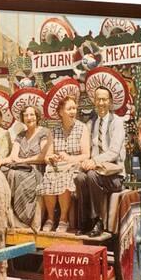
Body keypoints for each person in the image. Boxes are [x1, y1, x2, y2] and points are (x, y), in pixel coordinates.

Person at [74, 86, 126, 237]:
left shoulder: (117, 122)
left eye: (104, 99)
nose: (101, 103)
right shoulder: (92, 123)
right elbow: (88, 150)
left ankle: (98, 220)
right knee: (80, 177)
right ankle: (85, 221)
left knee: (91, 176)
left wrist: (94, 161)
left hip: (115, 176)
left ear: (110, 102)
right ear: (94, 102)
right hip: (96, 171)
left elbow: (114, 152)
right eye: (98, 99)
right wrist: (84, 162)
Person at [37, 96, 90, 232]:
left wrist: (69, 158)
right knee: (49, 173)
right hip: (58, 167)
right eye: (69, 109)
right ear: (61, 112)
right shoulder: (54, 131)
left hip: (75, 166)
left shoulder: (82, 128)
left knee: (65, 176)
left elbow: (86, 155)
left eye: (74, 108)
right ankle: (50, 218)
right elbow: (47, 157)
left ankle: (63, 219)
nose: (73, 111)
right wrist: (52, 158)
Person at [0, 105, 50, 229]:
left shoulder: (44, 132)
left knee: (16, 175)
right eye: (26, 115)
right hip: (21, 167)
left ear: (37, 116)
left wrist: (24, 160)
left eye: (32, 114)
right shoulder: (20, 135)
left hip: (37, 169)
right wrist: (0, 161)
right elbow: (13, 157)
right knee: (3, 172)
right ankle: (9, 215)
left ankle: (25, 217)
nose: (29, 118)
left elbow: (43, 156)